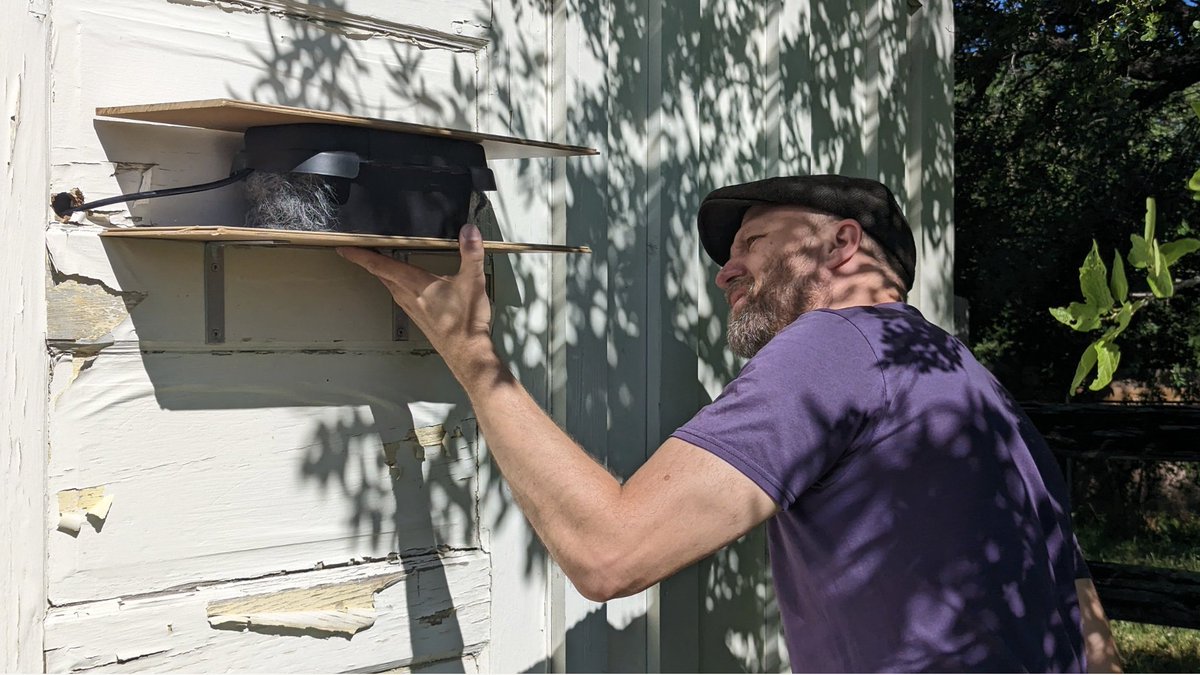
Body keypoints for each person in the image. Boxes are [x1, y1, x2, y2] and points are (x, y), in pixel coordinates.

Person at [338, 174, 1121, 673]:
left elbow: (609, 552)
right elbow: (1079, 594)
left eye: (752, 240)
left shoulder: (836, 341)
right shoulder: (962, 373)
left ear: (843, 243)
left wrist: (474, 357)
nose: (726, 268)